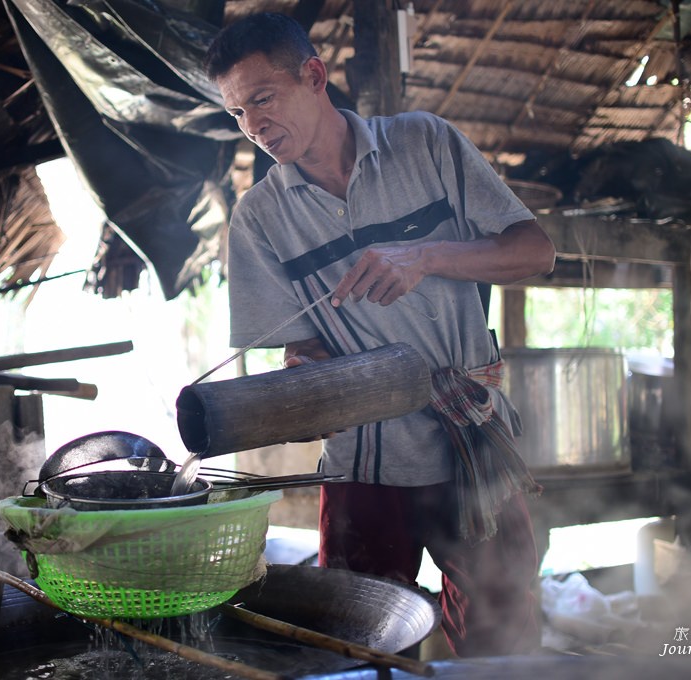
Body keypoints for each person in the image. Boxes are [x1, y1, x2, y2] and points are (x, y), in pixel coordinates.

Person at [204, 13, 556, 657]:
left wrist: (425, 257)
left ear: (313, 75)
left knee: (506, 640)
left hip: (469, 444)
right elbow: (300, 346)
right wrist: (302, 373)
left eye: (261, 98)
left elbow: (535, 252)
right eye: (235, 113)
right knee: (355, 648)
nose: (252, 125)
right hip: (363, 462)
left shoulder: (425, 145)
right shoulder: (260, 219)